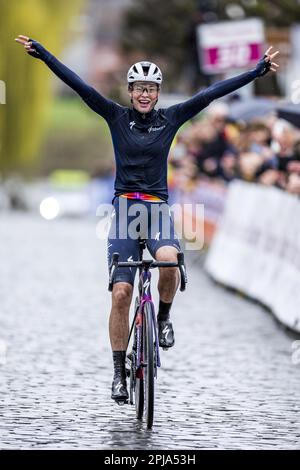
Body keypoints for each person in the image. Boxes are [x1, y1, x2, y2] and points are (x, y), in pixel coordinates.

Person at [15, 35, 279, 402]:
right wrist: (43, 55)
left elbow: (211, 93)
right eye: (138, 89)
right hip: (124, 210)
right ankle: (119, 372)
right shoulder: (115, 116)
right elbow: (79, 84)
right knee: (121, 292)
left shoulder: (170, 119)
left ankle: (164, 319)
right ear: (130, 91)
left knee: (169, 261)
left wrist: (255, 72)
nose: (144, 95)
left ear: (157, 93)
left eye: (150, 90)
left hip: (155, 208)